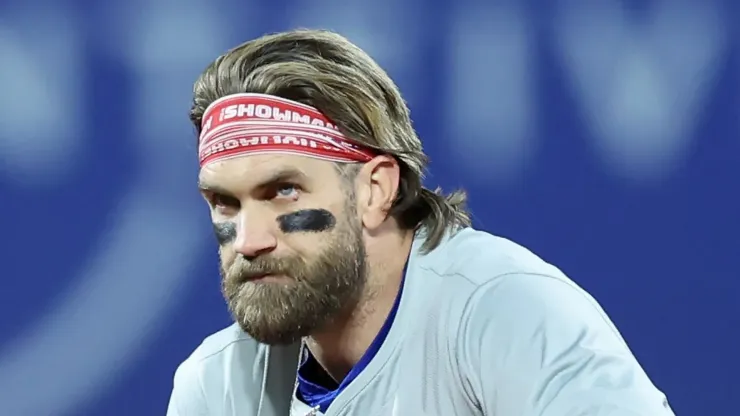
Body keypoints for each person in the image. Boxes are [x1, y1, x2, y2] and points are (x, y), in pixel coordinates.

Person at [166, 29, 673, 416]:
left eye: (283, 191)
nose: (249, 241)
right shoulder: (218, 384)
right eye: (224, 202)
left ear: (375, 189)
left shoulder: (508, 313)